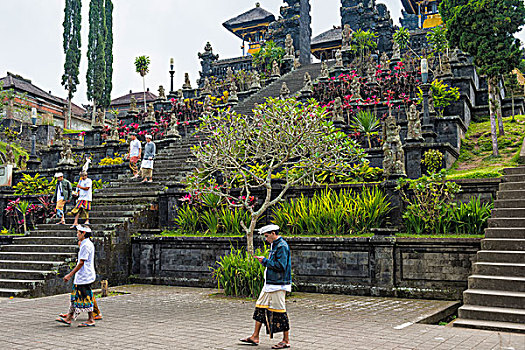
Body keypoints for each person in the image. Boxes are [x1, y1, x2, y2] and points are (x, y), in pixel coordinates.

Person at [240, 224, 292, 349]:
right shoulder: (276, 245)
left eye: (267, 236)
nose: (266, 239)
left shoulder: (282, 246)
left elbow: (281, 266)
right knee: (260, 306)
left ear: (273, 233)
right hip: (270, 283)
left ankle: (286, 340)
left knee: (280, 310)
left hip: (278, 284)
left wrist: (264, 261)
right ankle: (255, 336)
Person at [56, 225, 96, 327]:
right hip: (82, 276)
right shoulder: (85, 244)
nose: (77, 234)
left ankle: (91, 319)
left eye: (78, 232)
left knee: (86, 297)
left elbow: (81, 262)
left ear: (83, 233)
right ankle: (69, 317)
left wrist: (70, 274)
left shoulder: (85, 245)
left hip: (84, 276)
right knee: (75, 296)